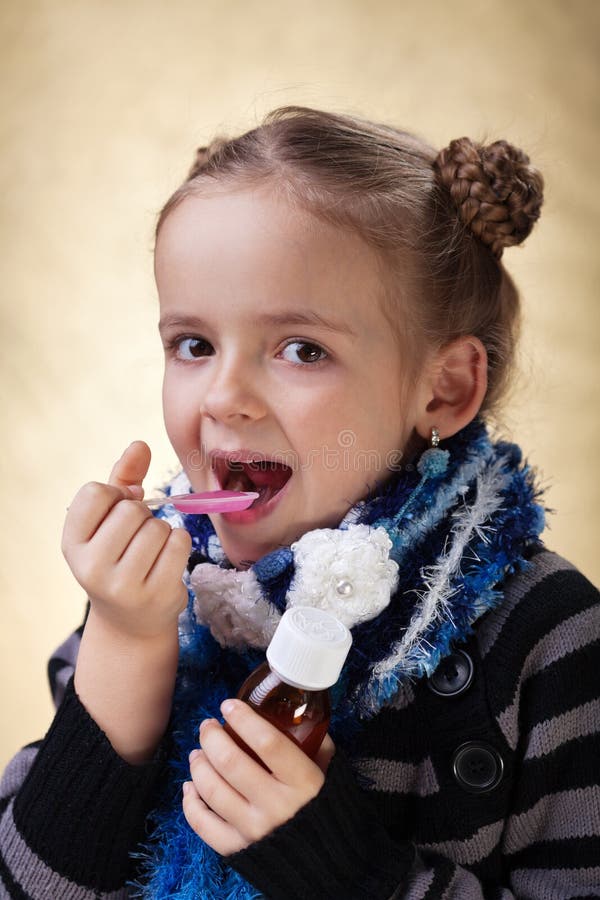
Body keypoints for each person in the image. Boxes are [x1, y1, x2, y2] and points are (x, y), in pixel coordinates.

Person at [1, 106, 598, 900]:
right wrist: (123, 648)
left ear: (446, 387)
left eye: (301, 350)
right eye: (193, 344)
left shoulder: (545, 637)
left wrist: (344, 871)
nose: (224, 395)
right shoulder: (154, 604)